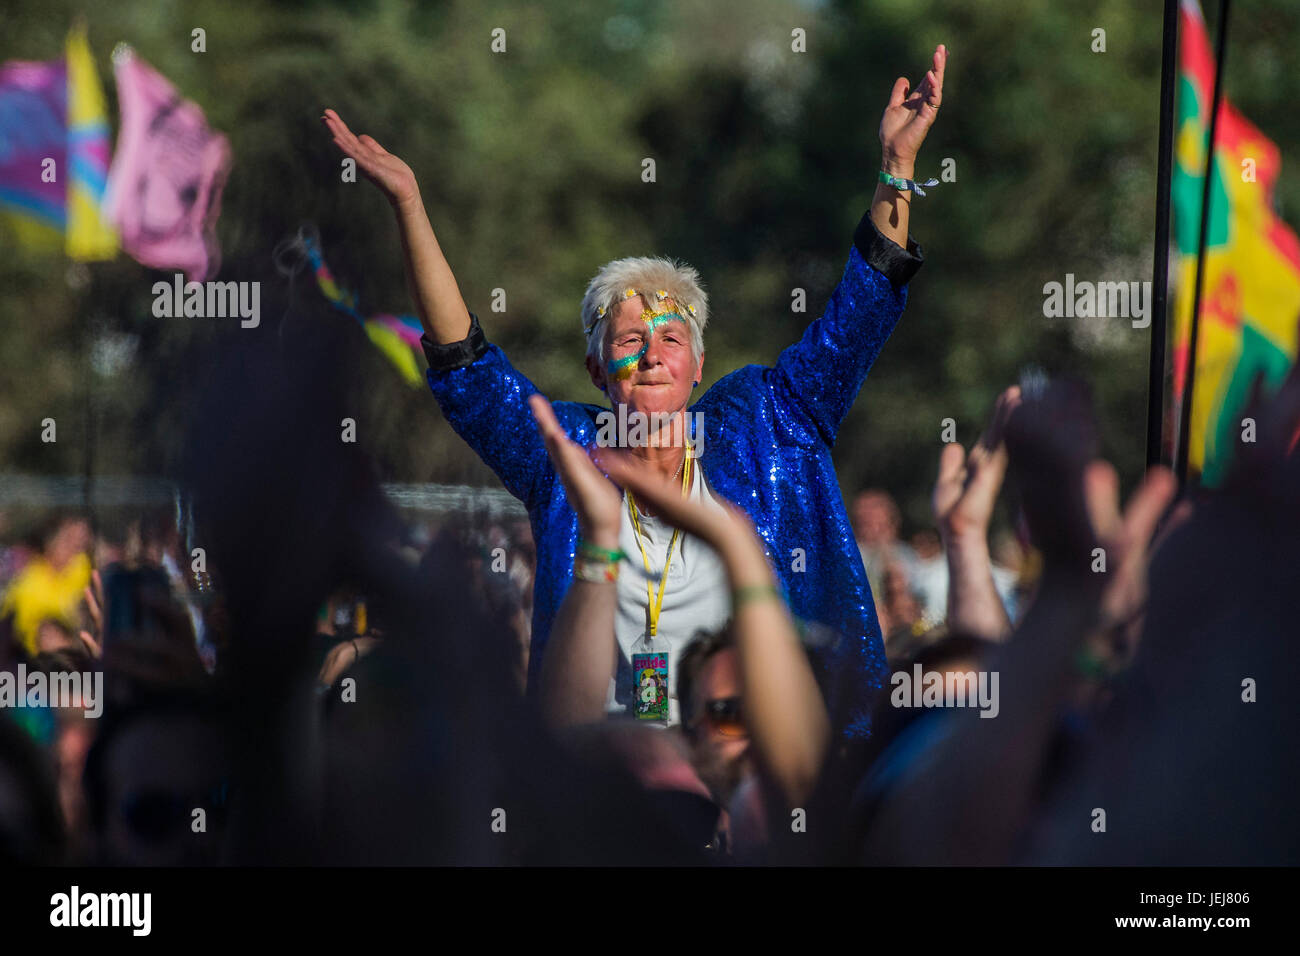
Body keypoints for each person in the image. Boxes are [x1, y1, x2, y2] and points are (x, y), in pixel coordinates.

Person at [321, 43, 945, 735]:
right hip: (604, 798)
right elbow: (465, 368)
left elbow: (861, 310)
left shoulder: (770, 425)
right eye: (627, 342)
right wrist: (409, 203)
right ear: (595, 370)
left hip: (754, 784)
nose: (651, 356)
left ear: (698, 365)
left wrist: (897, 169)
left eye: (671, 340)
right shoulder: (566, 455)